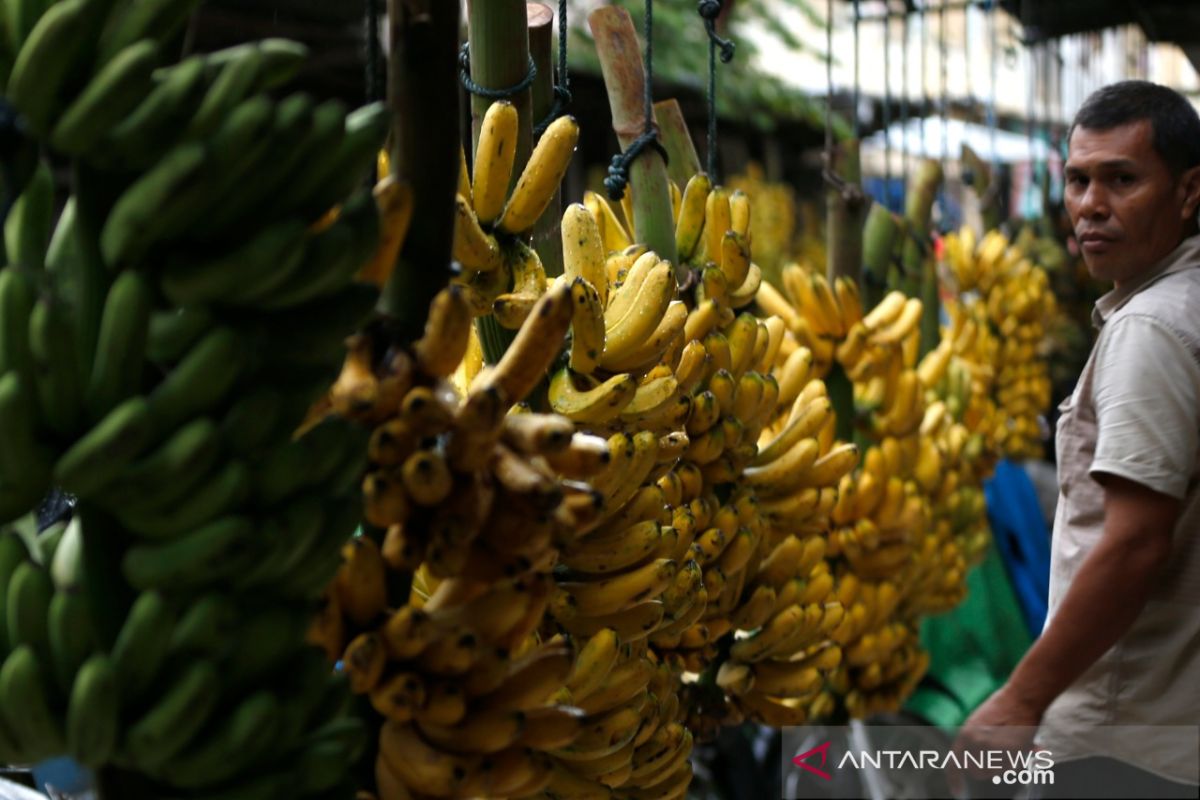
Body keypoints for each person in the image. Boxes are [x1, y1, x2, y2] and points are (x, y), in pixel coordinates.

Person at [955, 80, 1200, 798]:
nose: (1091, 204)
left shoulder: (1151, 330)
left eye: (1122, 180)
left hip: (1124, 740)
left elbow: (1135, 542)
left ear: (1189, 193)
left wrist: (1022, 698)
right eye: (1078, 179)